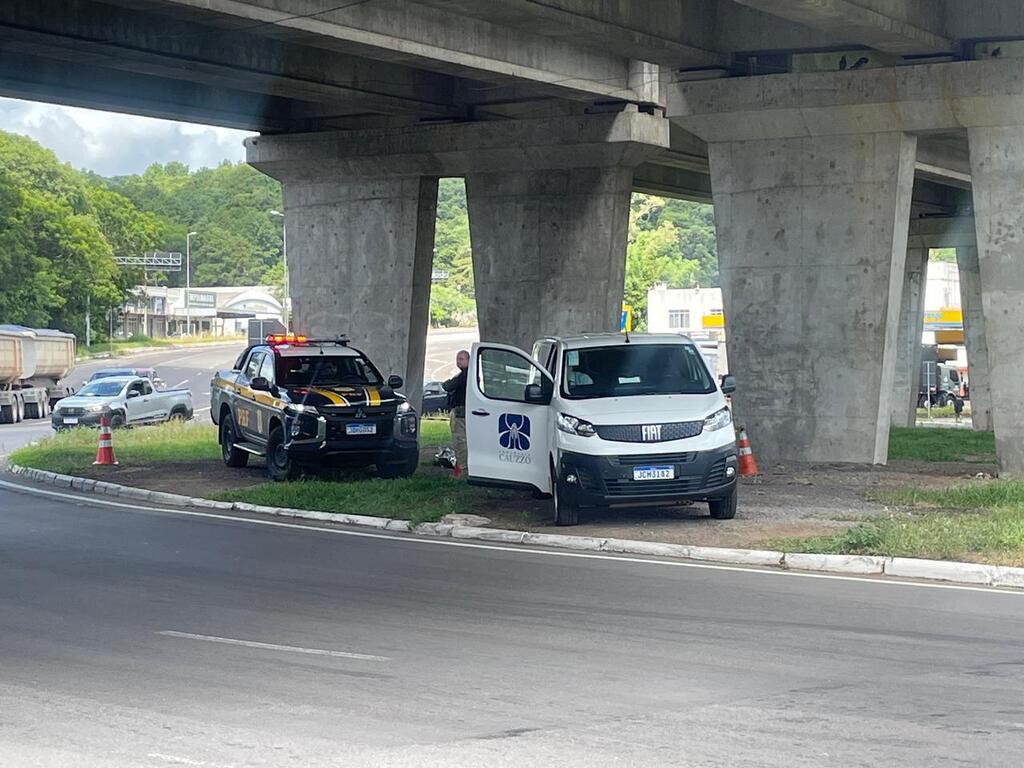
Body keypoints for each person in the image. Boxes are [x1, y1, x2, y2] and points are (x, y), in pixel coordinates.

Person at [443, 350, 469, 478]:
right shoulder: (464, 375)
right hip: (460, 411)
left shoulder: (465, 375)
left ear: (469, 360)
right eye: (457, 358)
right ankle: (459, 469)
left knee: (460, 441)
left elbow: (448, 386)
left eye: (462, 359)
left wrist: (448, 382)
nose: (459, 361)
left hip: (460, 412)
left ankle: (462, 470)